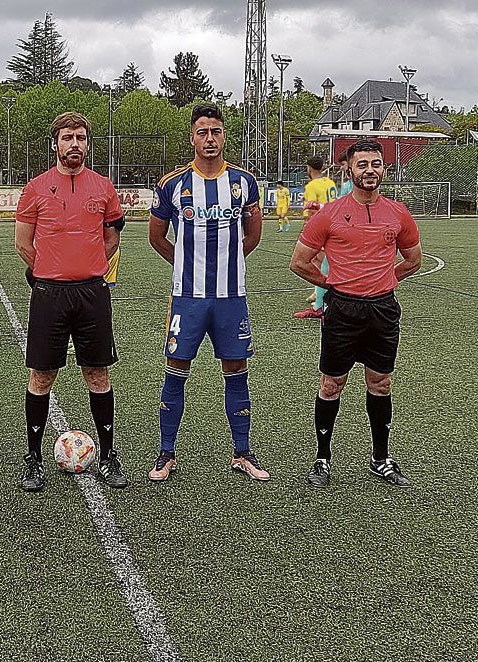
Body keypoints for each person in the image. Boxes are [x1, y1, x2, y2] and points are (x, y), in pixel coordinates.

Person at [288, 138, 423, 488]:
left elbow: (413, 260)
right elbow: (299, 262)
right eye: (362, 164)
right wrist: (331, 283)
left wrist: (384, 280)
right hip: (343, 309)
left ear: (384, 167)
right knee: (332, 384)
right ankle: (322, 459)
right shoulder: (329, 214)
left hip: (383, 309)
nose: (370, 171)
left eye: (375, 164)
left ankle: (381, 459)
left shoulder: (398, 212)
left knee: (380, 382)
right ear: (349, 168)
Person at [147, 103, 267, 482]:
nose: (210, 138)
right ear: (193, 137)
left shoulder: (244, 182)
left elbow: (253, 235)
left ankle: (243, 453)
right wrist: (186, 264)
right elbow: (156, 237)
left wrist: (228, 261)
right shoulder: (172, 184)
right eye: (203, 132)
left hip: (232, 297)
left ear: (223, 136)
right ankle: (167, 454)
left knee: (236, 369)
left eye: (216, 131)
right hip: (188, 298)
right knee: (176, 369)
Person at [16, 111, 126, 491]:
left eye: (80, 137)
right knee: (41, 375)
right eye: (67, 138)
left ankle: (109, 457)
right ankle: (33, 458)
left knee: (97, 373)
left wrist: (88, 266)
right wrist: (48, 270)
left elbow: (112, 240)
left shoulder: (103, 187)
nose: (74, 144)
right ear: (55, 144)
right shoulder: (35, 188)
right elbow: (22, 243)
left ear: (88, 144)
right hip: (50, 294)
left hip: (92, 293)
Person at [293, 156, 338, 320]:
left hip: (319, 227)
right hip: (334, 223)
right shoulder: (330, 182)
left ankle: (321, 300)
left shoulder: (312, 186)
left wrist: (307, 227)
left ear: (309, 168)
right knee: (322, 261)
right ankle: (319, 296)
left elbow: (311, 209)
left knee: (310, 261)